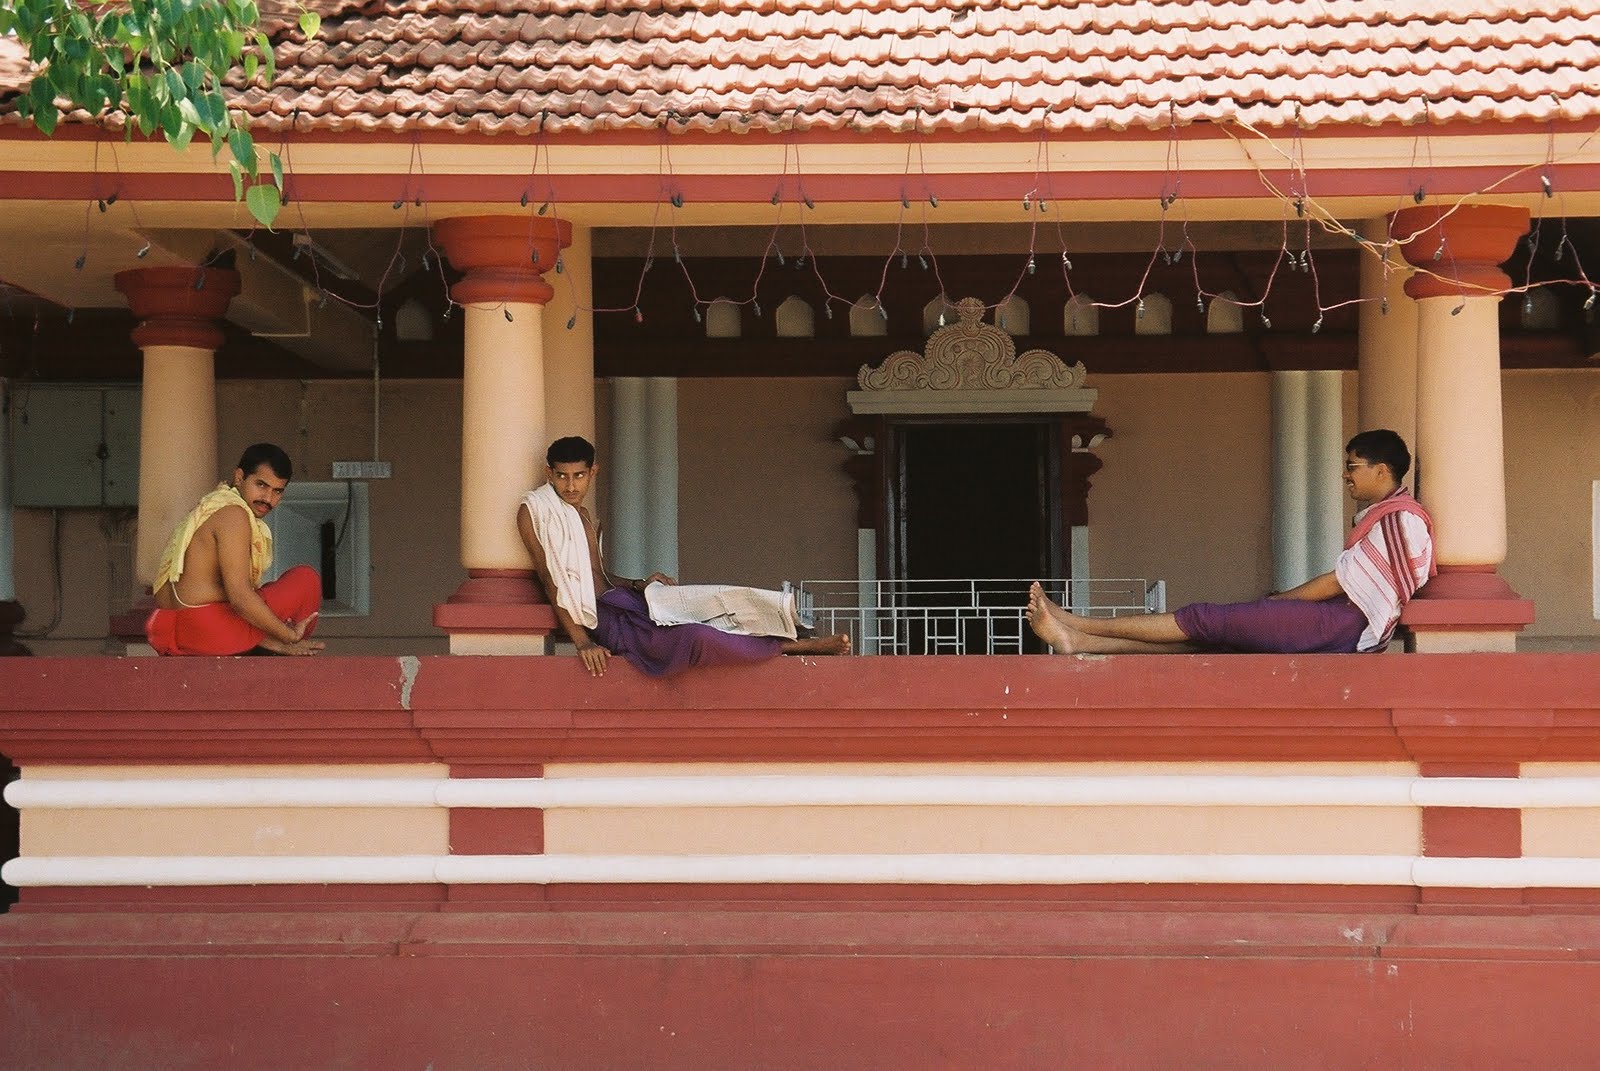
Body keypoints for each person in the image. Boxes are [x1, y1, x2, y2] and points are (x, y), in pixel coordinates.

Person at [1028, 429, 1435, 655]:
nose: (1345, 476)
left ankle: (1078, 622)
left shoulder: (1402, 520)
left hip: (1341, 624)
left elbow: (1340, 583)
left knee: (1206, 619)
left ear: (1382, 471)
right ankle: (1079, 641)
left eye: (1352, 467)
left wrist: (1281, 603)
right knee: (1216, 642)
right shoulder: (1389, 516)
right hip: (1338, 622)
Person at [518, 436, 849, 677]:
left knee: (716, 607)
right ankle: (795, 648)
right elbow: (553, 578)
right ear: (549, 474)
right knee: (695, 637)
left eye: (578, 475)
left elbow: (596, 573)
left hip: (625, 602)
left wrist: (637, 583)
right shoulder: (535, 512)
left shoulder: (585, 515)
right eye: (561, 476)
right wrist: (581, 643)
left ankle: (789, 633)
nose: (570, 485)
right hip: (607, 622)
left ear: (593, 472)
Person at [144, 443, 324, 656]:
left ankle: (266, 642)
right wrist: (288, 636)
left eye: (277, 491)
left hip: (172, 627)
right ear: (239, 477)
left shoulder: (211, 507)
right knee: (305, 579)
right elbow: (239, 596)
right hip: (206, 630)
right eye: (261, 485)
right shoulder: (234, 514)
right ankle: (276, 645)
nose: (268, 498)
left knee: (256, 600)